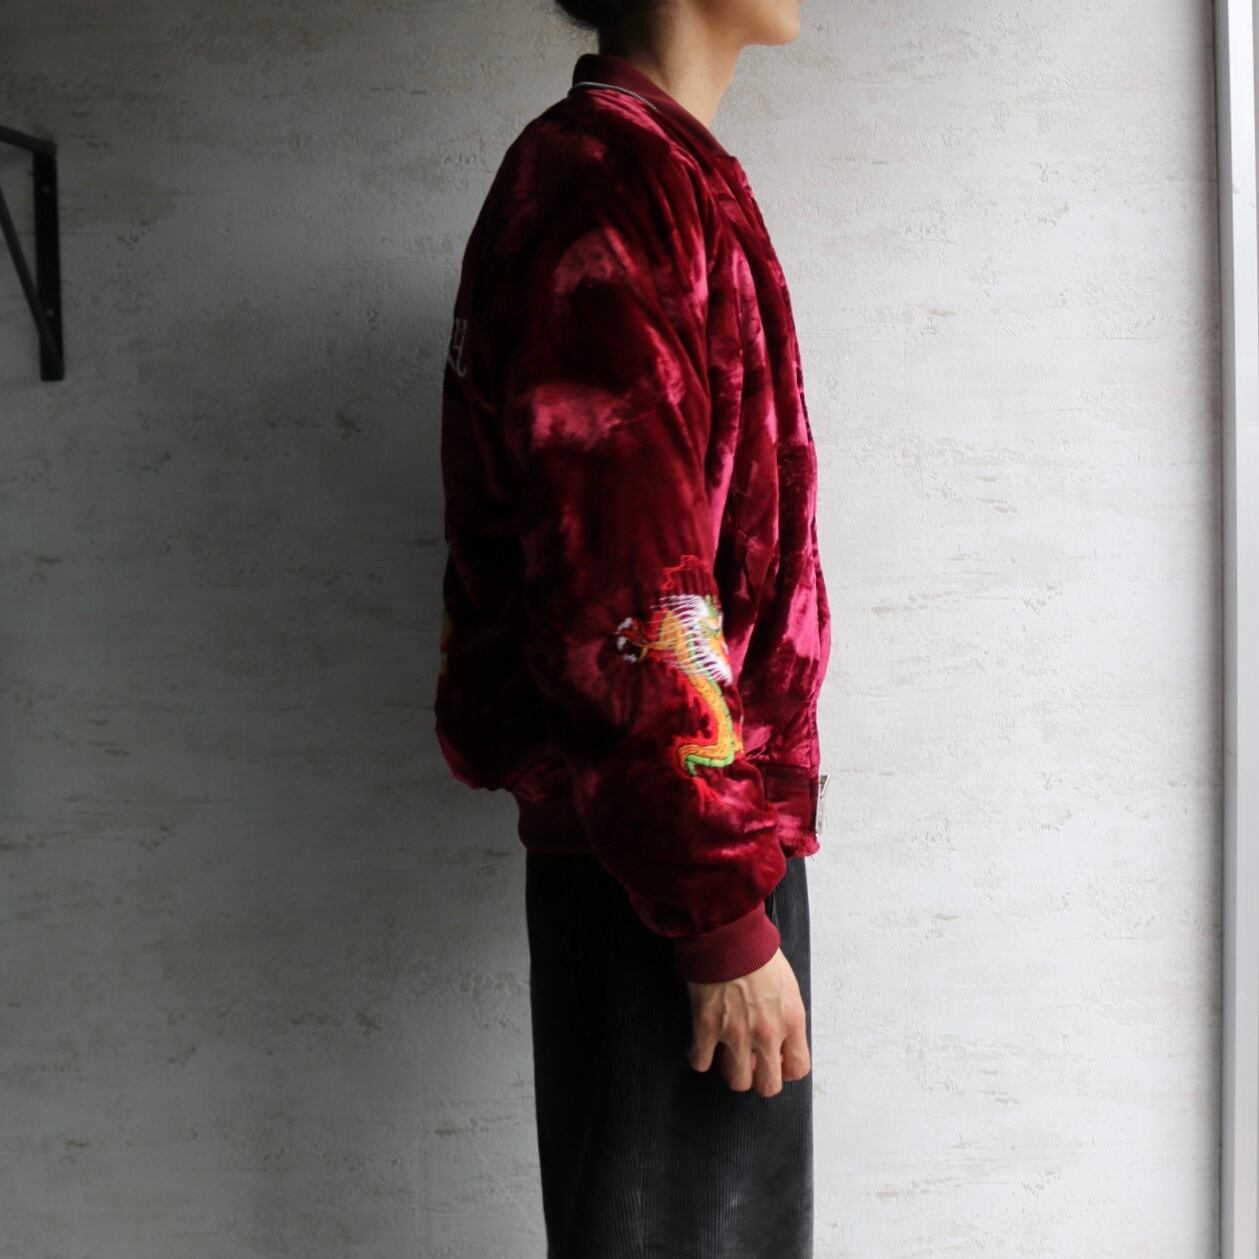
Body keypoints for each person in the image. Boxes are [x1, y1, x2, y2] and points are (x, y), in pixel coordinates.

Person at [434, 0, 831, 1253]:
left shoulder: (661, 171)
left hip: (699, 835)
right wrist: (712, 910)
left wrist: (729, 877)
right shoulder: (602, 183)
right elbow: (625, 589)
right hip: (661, 860)